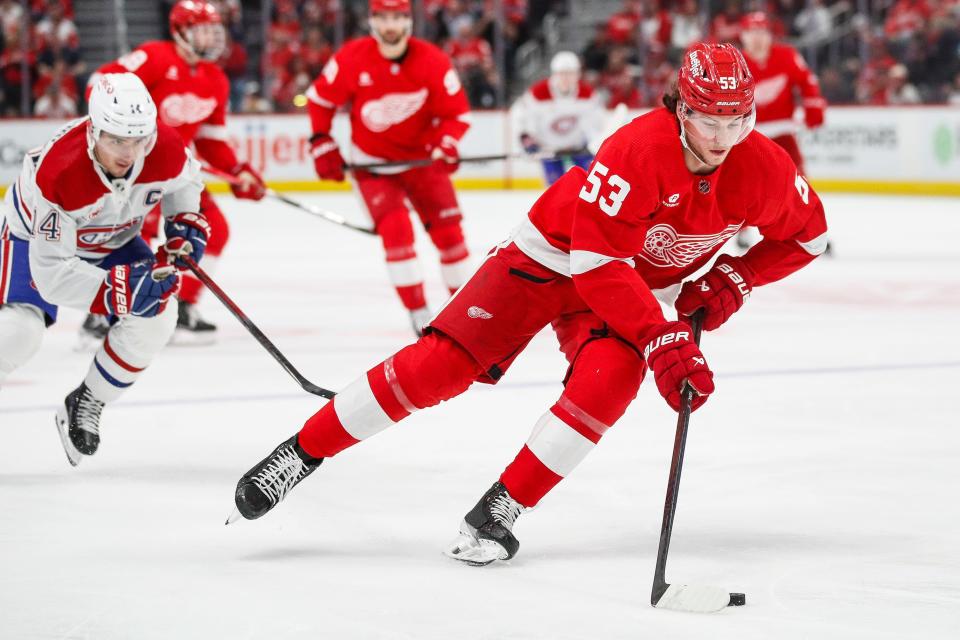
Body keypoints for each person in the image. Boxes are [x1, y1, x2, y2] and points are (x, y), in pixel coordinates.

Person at [229, 43, 829, 566]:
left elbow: (810, 236)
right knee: (443, 365)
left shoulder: (764, 168)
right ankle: (301, 452)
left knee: (610, 383)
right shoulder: (636, 150)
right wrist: (660, 335)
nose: (722, 140)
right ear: (679, 108)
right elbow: (596, 267)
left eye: (736, 122)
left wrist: (738, 278)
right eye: (706, 121)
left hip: (634, 283)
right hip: (555, 255)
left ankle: (499, 510)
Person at [0, 73, 208, 466]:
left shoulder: (163, 145)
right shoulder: (59, 171)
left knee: (159, 315)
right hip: (33, 241)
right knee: (18, 333)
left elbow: (186, 180)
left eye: (137, 140)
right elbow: (51, 276)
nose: (128, 153)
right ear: (94, 131)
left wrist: (183, 222)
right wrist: (118, 290)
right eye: (116, 140)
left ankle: (88, 399)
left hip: (113, 237)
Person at [81, 0, 266, 346]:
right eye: (203, 30)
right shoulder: (155, 57)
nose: (212, 38)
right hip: (134, 170)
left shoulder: (216, 79)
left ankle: (182, 306)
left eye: (215, 30)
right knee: (135, 237)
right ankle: (101, 316)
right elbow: (99, 82)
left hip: (175, 173)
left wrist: (240, 171)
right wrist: (126, 128)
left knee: (215, 228)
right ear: (180, 31)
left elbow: (212, 143)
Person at [305, 0, 473, 335]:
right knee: (397, 234)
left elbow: (456, 115)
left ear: (408, 22)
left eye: (397, 18)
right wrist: (321, 140)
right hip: (374, 166)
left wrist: (447, 143)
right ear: (372, 22)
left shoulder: (433, 60)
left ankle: (467, 311)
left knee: (450, 237)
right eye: (384, 19)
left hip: (423, 162)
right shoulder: (353, 57)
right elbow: (320, 99)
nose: (390, 26)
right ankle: (419, 313)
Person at [510, 51, 604, 185]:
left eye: (570, 73)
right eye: (562, 74)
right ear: (554, 74)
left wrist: (594, 141)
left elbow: (597, 122)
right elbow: (519, 115)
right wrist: (526, 138)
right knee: (555, 188)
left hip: (577, 148)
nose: (565, 78)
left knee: (591, 184)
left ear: (577, 74)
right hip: (549, 148)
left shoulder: (588, 95)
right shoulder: (538, 93)